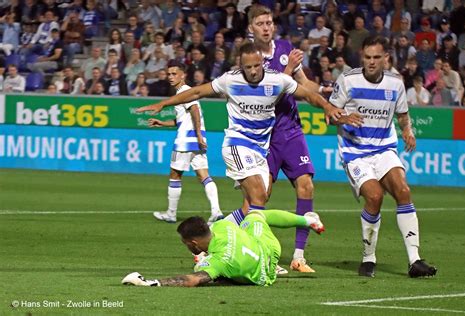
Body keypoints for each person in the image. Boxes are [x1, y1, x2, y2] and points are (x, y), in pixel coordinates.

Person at [136, 42, 342, 236]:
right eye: (247, 66)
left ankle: (215, 233)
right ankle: (259, 251)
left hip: (261, 149)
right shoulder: (230, 80)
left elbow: (308, 94)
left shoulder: (277, 80)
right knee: (259, 196)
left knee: (251, 206)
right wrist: (164, 103)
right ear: (240, 65)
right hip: (237, 143)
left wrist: (327, 106)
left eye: (256, 65)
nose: (252, 71)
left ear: (262, 62)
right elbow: (197, 91)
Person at [328, 35, 437, 278]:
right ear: (362, 57)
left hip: (384, 149)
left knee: (403, 191)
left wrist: (407, 130)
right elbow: (330, 113)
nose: (372, 62)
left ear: (386, 58)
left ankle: (415, 260)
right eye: (367, 57)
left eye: (377, 57)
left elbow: (402, 115)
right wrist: (343, 117)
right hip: (355, 153)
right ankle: (368, 258)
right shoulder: (347, 80)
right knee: (375, 196)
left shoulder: (395, 84)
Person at [243, 4, 334, 273]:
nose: (266, 27)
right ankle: (243, 247)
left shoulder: (284, 47)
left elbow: (303, 83)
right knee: (259, 197)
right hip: (263, 135)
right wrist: (288, 70)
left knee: (306, 186)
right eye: (260, 23)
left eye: (269, 22)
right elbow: (266, 94)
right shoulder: (249, 58)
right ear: (251, 28)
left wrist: (330, 92)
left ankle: (298, 256)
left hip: (291, 130)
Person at [122, 209, 325, 287]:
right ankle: (307, 220)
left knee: (204, 270)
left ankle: (233, 270)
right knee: (256, 215)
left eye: (186, 245)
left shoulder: (218, 262)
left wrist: (153, 283)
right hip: (269, 248)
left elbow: (192, 280)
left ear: (193, 243)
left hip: (264, 275)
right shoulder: (222, 225)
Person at [144, 61, 223, 224]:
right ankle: (216, 211)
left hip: (185, 140)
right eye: (169, 74)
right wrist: (162, 123)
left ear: (183, 75)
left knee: (175, 175)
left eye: (174, 73)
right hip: (195, 139)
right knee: (204, 175)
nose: (171, 77)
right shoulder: (183, 93)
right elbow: (182, 119)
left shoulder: (185, 91)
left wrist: (199, 134)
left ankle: (171, 213)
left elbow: (194, 110)